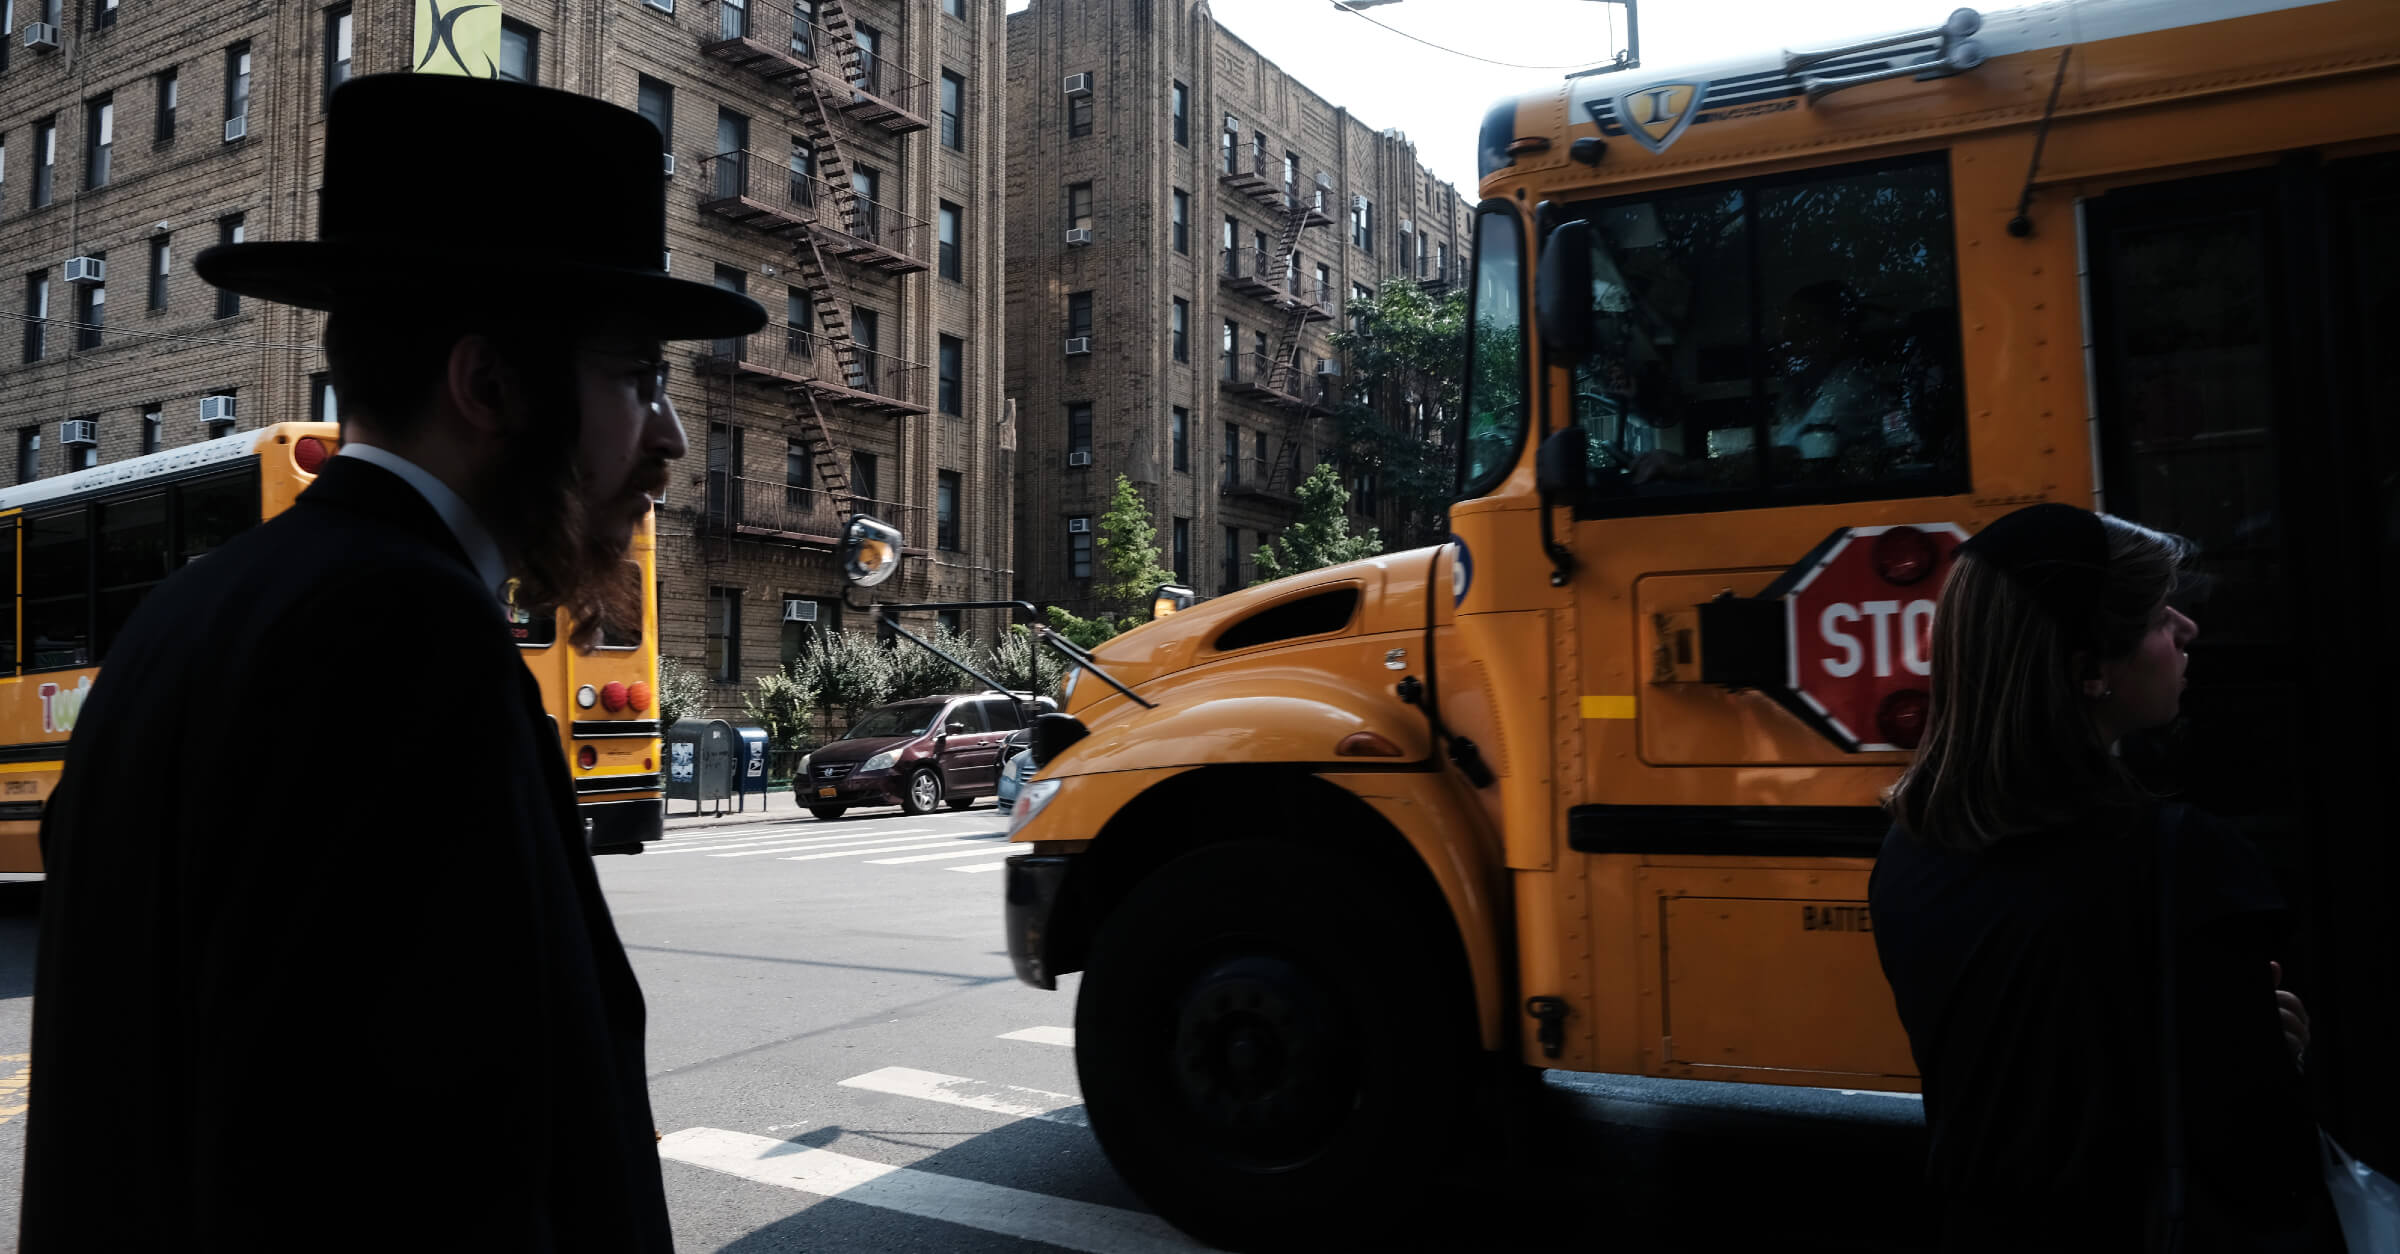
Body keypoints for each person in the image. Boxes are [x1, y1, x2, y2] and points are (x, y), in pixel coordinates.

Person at [21, 75, 765, 1249]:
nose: (668, 437)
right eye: (637, 379)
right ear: (488, 387)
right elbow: (415, 1173)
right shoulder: (408, 644)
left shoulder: (185, 617)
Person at [1870, 503, 2339, 1252]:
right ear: (2089, 670)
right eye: (2157, 616)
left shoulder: (1909, 854)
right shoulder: (2182, 860)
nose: (2185, 629)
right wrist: (2272, 1050)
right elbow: (2253, 1137)